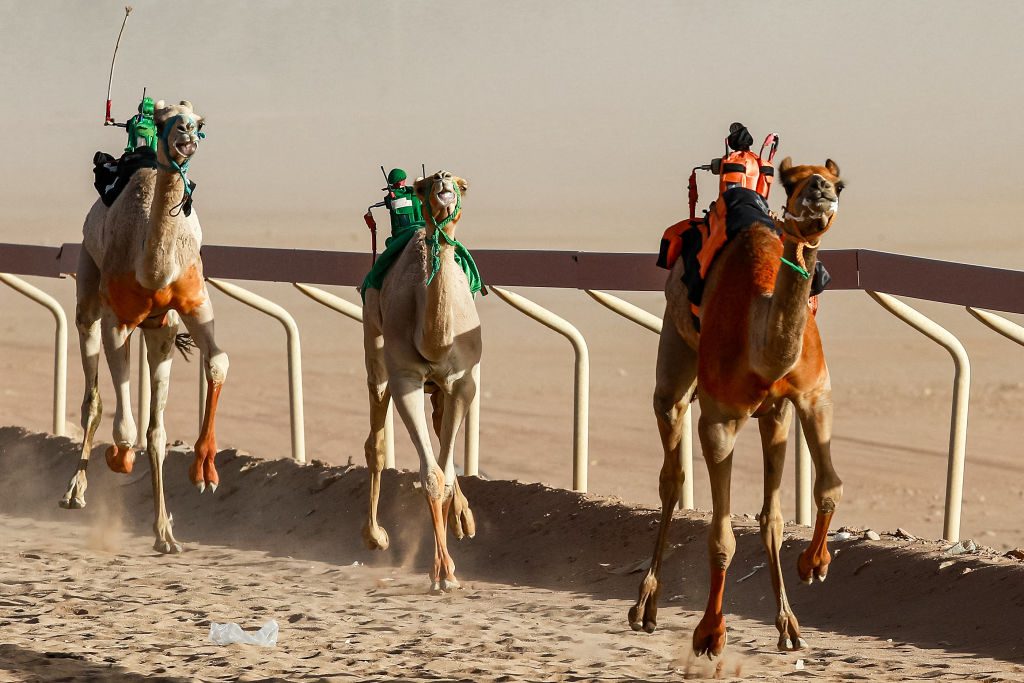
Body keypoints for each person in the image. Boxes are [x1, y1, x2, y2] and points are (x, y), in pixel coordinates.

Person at [365, 168, 425, 237]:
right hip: (402, 232)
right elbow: (391, 202)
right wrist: (391, 197)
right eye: (398, 182)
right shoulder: (392, 197)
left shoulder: (412, 192)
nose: (401, 183)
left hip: (421, 226)